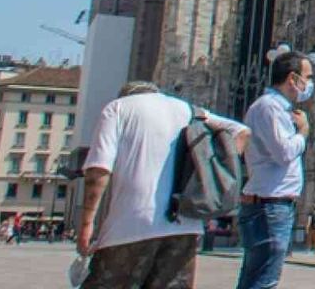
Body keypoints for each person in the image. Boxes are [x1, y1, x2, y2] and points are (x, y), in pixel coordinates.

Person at [77, 80, 249, 289]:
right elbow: (241, 132)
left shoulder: (118, 108)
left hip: (130, 226)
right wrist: (217, 168)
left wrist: (87, 224)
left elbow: (99, 170)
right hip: (184, 225)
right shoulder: (189, 110)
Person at [236, 50, 314, 289]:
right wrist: (303, 132)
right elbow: (283, 153)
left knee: (257, 278)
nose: (310, 84)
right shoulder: (269, 107)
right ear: (292, 78)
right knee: (263, 281)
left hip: (271, 204)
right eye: (308, 77)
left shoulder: (274, 108)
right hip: (269, 205)